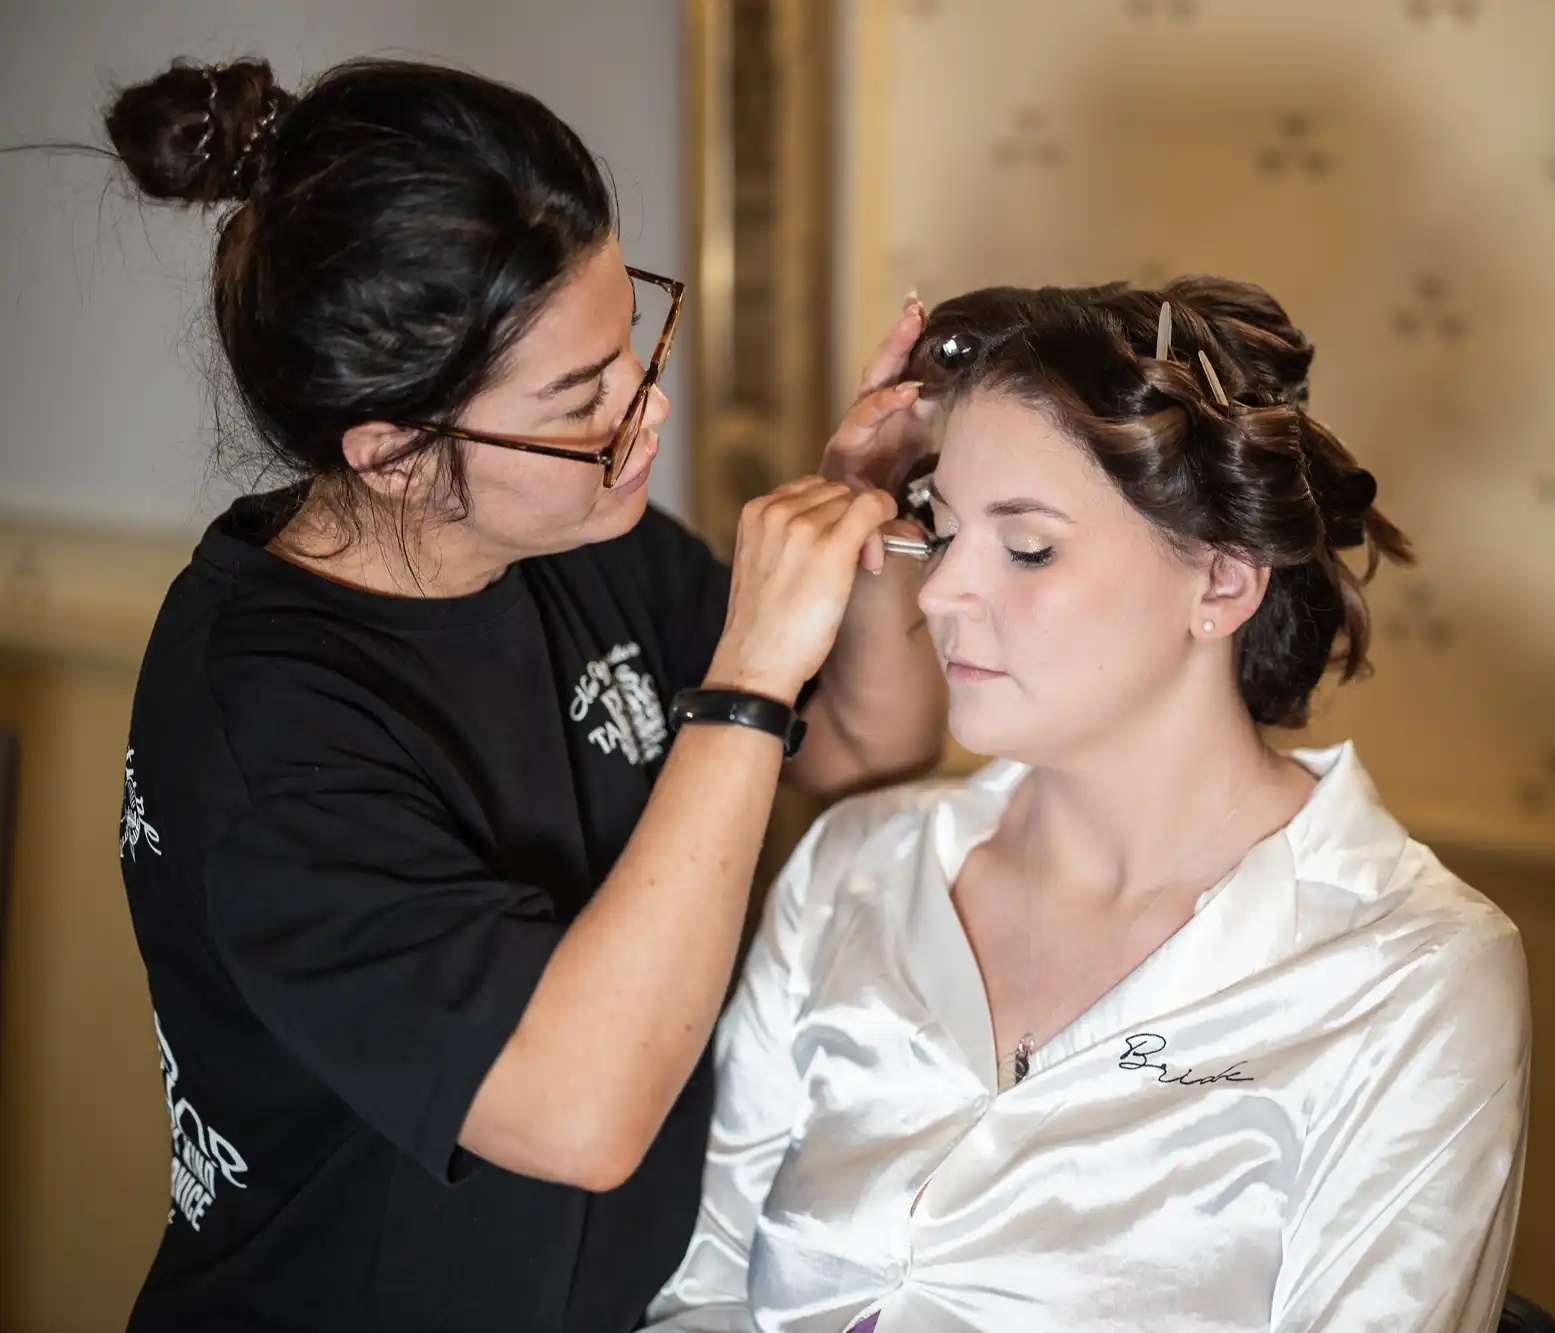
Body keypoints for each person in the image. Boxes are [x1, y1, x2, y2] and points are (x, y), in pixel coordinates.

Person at [101, 56, 944, 1333]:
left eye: (626, 344)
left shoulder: (571, 539)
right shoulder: (268, 731)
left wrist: (866, 525)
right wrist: (750, 671)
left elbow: (863, 745)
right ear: (391, 455)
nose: (643, 407)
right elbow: (581, 1109)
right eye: (579, 399)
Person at [644, 278, 1531, 1333]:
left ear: (1219, 581)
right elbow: (699, 1291)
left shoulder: (1407, 974)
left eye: (1026, 547)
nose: (936, 593)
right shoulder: (856, 866)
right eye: (940, 527)